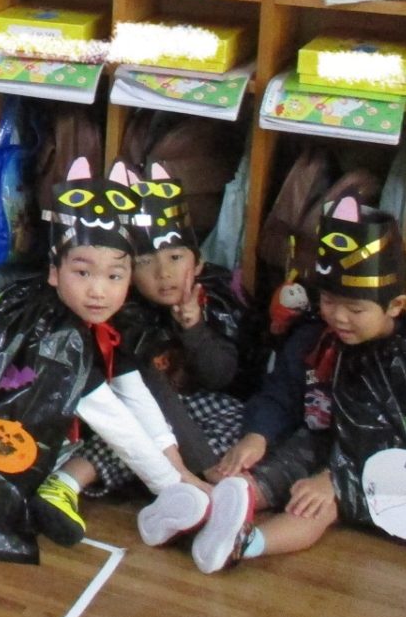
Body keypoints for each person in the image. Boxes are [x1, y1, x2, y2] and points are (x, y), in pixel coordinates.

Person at [189, 199, 406, 575]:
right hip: (316, 442)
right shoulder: (313, 337)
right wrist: (257, 436)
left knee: (316, 506)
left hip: (382, 464)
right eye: (329, 301)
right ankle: (200, 512)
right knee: (247, 478)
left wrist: (337, 478)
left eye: (355, 309)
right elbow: (282, 392)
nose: (339, 316)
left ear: (395, 305)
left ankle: (244, 544)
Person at [0, 159, 209, 562]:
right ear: (54, 271)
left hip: (52, 434)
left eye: (114, 276)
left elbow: (134, 392)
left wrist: (181, 473)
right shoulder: (57, 335)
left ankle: (100, 489)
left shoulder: (106, 321)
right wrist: (170, 487)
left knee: (134, 427)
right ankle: (64, 490)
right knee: (106, 439)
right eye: (82, 273)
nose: (98, 291)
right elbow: (115, 423)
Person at [51, 165, 259, 545]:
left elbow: (221, 377)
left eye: (175, 258)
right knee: (128, 433)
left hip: (187, 417)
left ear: (197, 263)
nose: (164, 273)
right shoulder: (122, 317)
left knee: (234, 416)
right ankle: (72, 480)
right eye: (146, 262)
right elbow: (144, 396)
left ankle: (176, 495)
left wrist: (193, 329)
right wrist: (200, 470)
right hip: (137, 422)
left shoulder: (212, 298)